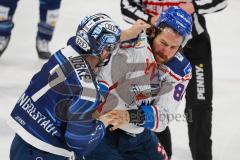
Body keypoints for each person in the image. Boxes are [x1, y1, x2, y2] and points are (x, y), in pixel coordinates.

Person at [7, 13, 149, 160]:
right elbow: (80, 142)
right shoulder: (87, 90)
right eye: (110, 47)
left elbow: (87, 42)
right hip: (46, 153)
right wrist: (104, 121)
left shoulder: (64, 52)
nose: (112, 52)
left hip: (20, 141)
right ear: (102, 49)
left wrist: (123, 35)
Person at [120, 0, 228, 159]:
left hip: (194, 45)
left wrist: (194, 5)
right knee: (150, 103)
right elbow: (126, 6)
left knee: (199, 106)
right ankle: (162, 155)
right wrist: (150, 20)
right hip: (155, 43)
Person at [85, 7, 192, 160]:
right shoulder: (129, 45)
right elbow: (99, 85)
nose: (166, 52)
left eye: (173, 47)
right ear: (154, 32)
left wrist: (129, 116)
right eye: (163, 43)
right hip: (102, 128)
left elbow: (164, 116)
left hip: (137, 131)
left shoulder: (180, 69)